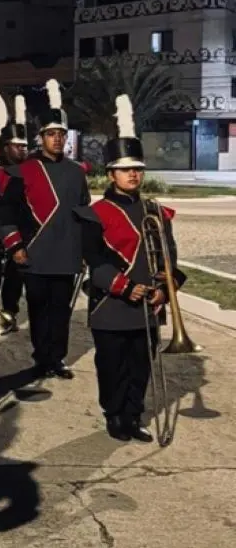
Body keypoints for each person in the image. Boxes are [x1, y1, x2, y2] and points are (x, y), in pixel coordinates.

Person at [75, 95, 185, 442]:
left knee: (141, 367)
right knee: (112, 367)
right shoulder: (95, 214)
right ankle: (114, 415)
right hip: (112, 305)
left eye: (137, 169)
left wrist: (166, 287)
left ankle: (133, 416)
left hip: (150, 306)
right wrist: (124, 286)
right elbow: (94, 260)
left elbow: (169, 256)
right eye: (125, 170)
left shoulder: (156, 211)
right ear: (111, 174)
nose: (133, 174)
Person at [0, 79, 91, 379]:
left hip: (66, 253)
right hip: (34, 252)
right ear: (41, 138)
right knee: (39, 310)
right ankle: (41, 357)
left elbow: (85, 211)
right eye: (51, 134)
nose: (57, 139)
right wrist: (15, 245)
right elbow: (6, 212)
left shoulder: (77, 172)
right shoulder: (23, 170)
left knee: (61, 311)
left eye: (61, 134)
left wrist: (86, 249)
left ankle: (57, 358)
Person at [0, 95, 30, 330]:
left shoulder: (31, 171)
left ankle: (10, 312)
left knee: (15, 277)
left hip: (21, 232)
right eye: (17, 146)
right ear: (7, 147)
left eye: (24, 146)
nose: (22, 150)